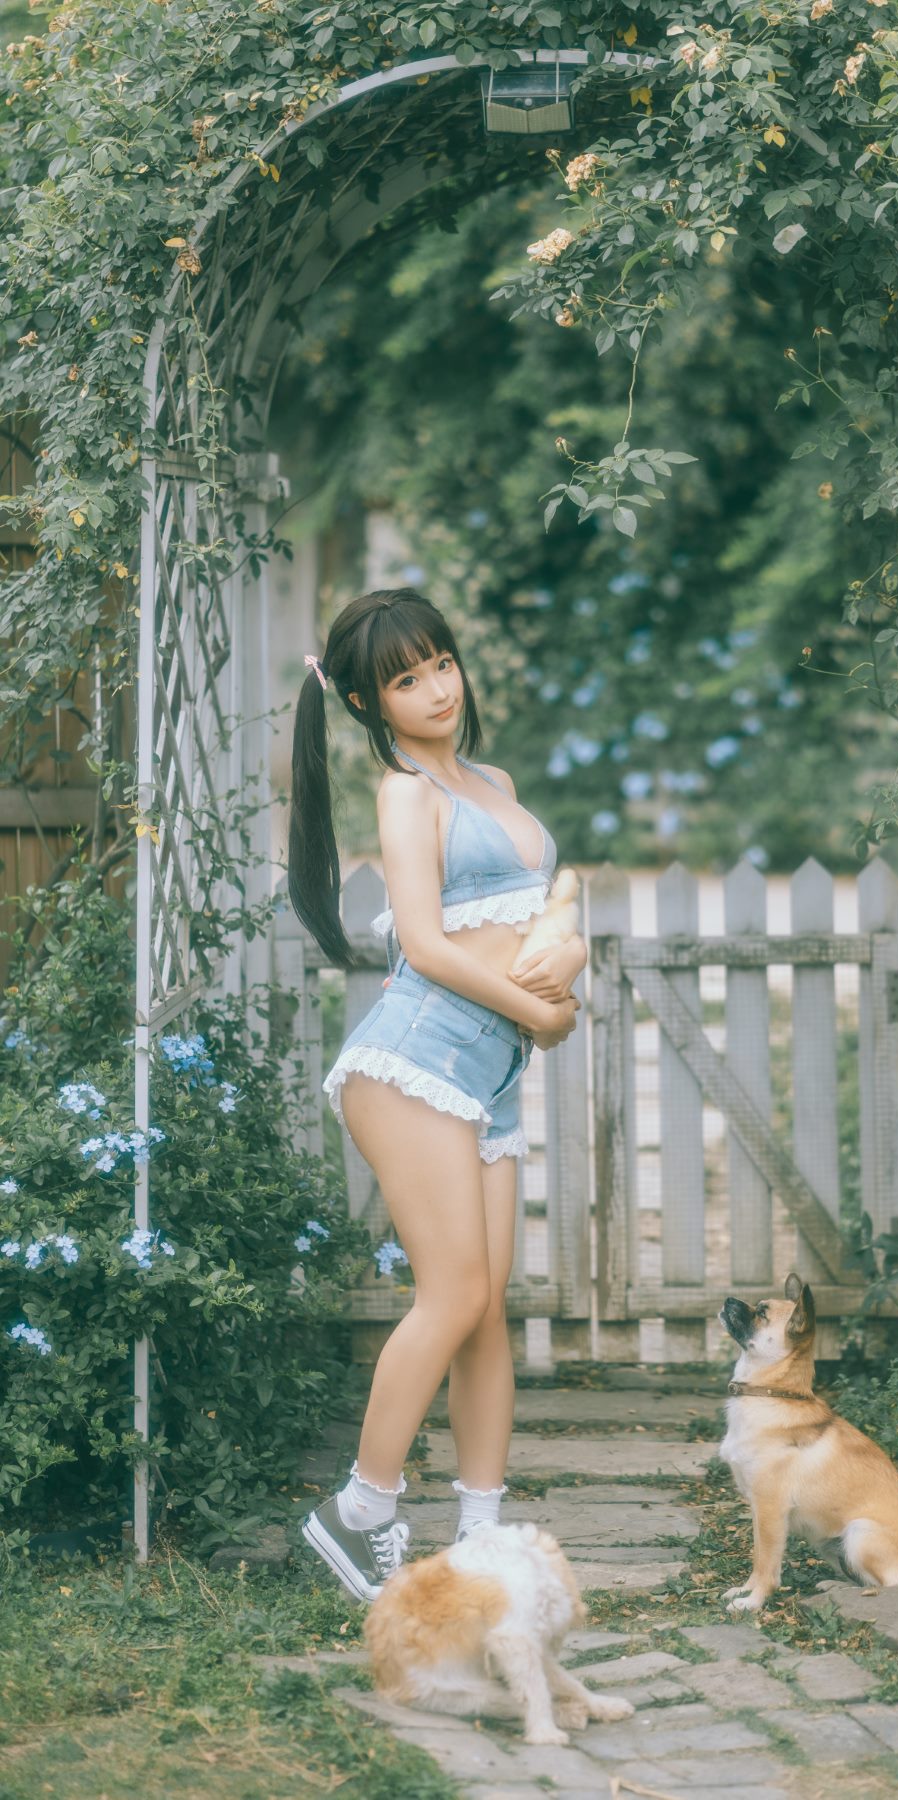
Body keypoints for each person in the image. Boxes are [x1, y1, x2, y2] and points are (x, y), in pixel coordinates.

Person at [287, 588, 585, 1601]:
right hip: (414, 1064)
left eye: (441, 663)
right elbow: (423, 942)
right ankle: (360, 1510)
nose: (436, 689)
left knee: (486, 1309)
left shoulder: (492, 782)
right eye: (406, 680)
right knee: (452, 1294)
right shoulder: (408, 793)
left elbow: (540, 915)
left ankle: (481, 1537)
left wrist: (567, 963)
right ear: (368, 704)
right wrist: (540, 1012)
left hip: (487, 1076)